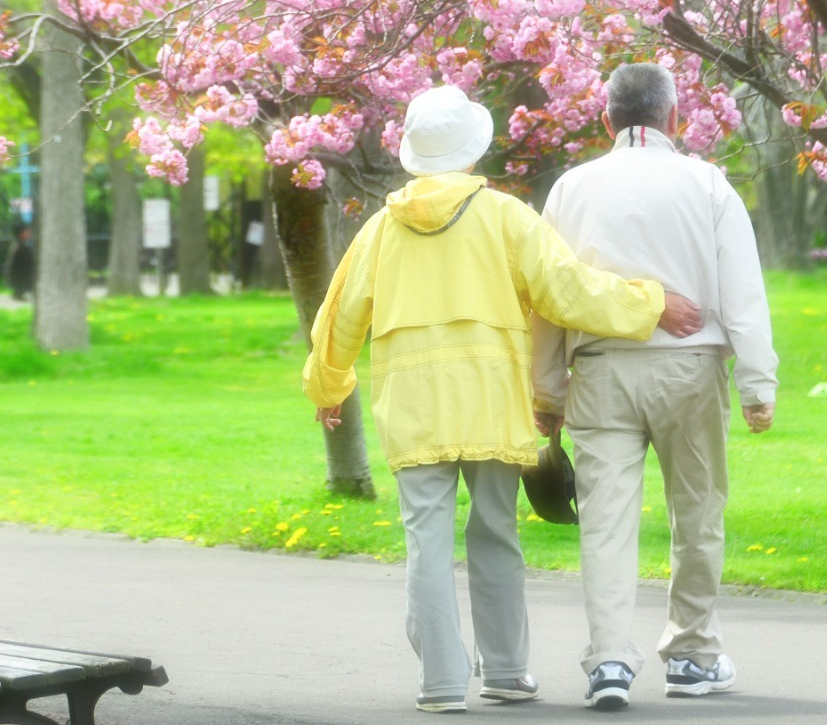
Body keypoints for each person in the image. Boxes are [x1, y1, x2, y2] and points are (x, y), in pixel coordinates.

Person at [302, 84, 704, 715]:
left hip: (413, 408)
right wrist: (650, 303)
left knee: (425, 545)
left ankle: (439, 683)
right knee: (495, 534)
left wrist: (328, 386)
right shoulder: (507, 216)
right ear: (469, 152)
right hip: (491, 402)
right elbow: (568, 292)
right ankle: (509, 673)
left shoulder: (381, 230)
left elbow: (339, 314)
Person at [529, 63, 777, 711]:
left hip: (601, 369)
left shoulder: (572, 188)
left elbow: (550, 296)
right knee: (696, 513)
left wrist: (546, 391)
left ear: (606, 119)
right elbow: (743, 290)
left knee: (605, 524)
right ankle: (692, 653)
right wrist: (757, 381)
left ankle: (609, 659)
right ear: (675, 119)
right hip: (689, 367)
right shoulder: (706, 183)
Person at [3, 223, 36, 301]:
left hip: (14, 279)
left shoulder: (17, 245)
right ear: (20, 234)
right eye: (26, 231)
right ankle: (20, 290)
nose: (29, 232)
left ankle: (19, 291)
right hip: (18, 279)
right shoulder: (21, 248)